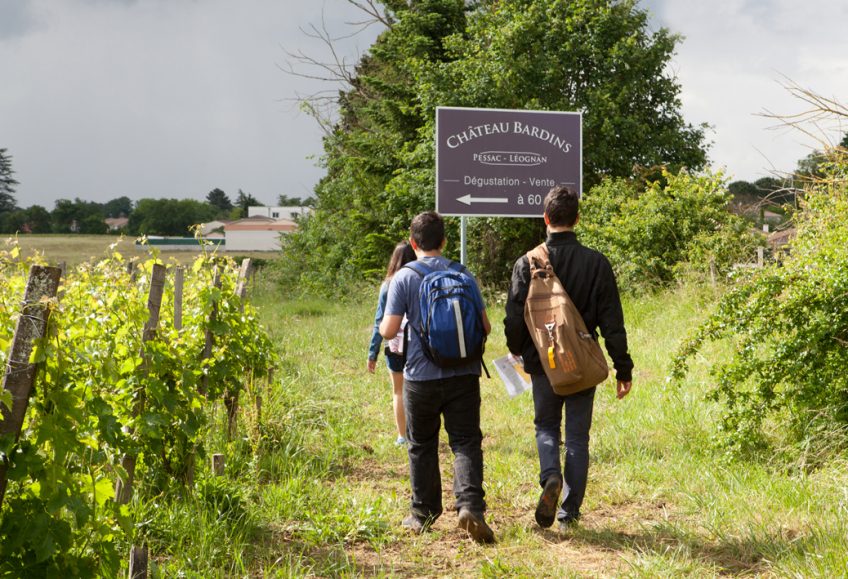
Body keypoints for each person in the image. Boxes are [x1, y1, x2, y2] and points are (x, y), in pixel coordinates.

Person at [504, 185, 634, 530]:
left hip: (543, 361)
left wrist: (517, 350)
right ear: (577, 219)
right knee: (578, 437)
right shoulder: (597, 263)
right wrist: (623, 367)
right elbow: (612, 322)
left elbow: (514, 317)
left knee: (546, 426)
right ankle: (568, 513)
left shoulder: (527, 263)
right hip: (581, 363)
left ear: (545, 219)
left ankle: (550, 476)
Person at [379, 211, 495, 544]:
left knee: (422, 444)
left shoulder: (404, 277)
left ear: (413, 243)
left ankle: (423, 514)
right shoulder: (463, 274)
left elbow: (388, 330)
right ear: (444, 242)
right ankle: (470, 505)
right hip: (465, 374)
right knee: (466, 441)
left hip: (421, 376)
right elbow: (486, 326)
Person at [368, 240, 417, 446]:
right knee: (418, 389)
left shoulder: (387, 285)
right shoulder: (420, 279)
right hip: (418, 344)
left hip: (395, 345)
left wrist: (373, 353)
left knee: (398, 390)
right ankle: (418, 433)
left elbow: (380, 320)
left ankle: (402, 436)